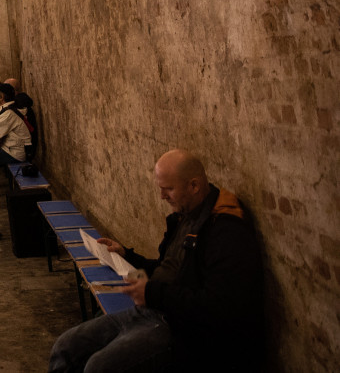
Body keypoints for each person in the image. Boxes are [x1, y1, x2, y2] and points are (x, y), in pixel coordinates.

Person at [48, 149, 264, 372]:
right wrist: (126, 255)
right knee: (66, 346)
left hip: (182, 328)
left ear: (194, 185)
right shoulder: (186, 216)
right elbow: (167, 268)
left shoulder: (226, 231)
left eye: (168, 189)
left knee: (98, 367)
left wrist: (151, 293)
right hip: (154, 308)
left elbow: (219, 306)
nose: (162, 196)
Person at [0, 82, 32, 166]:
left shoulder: (8, 114)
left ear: (2, 97)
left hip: (15, 153)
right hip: (11, 148)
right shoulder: (8, 108)